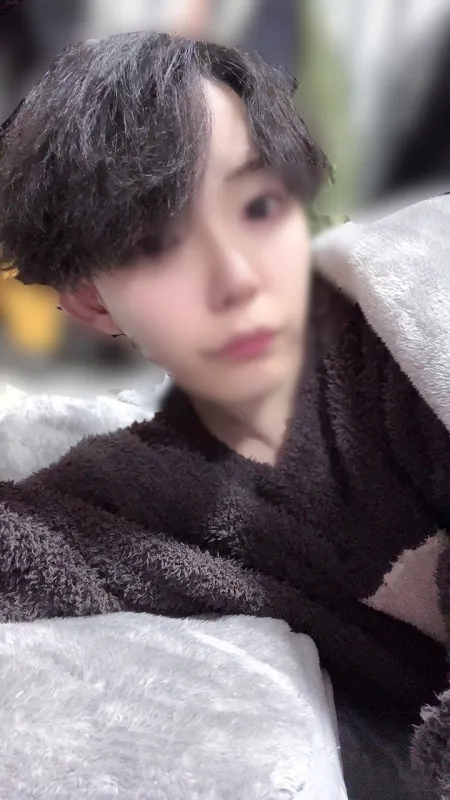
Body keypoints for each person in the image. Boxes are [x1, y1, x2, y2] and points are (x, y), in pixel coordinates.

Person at [0, 32, 449, 790]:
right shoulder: (114, 510)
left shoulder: (406, 336)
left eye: (258, 205)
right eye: (153, 244)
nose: (237, 277)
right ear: (90, 300)